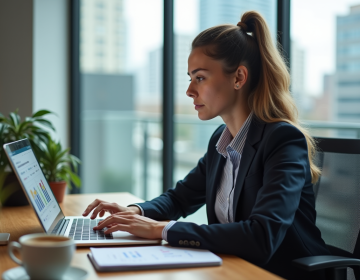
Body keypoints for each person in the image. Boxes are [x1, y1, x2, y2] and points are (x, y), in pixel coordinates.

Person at [82, 11, 330, 280]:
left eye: (199, 77)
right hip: (233, 269)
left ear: (238, 78)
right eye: (190, 77)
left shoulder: (282, 140)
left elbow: (262, 236)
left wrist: (160, 229)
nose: (189, 90)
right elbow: (180, 198)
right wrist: (135, 213)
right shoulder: (221, 140)